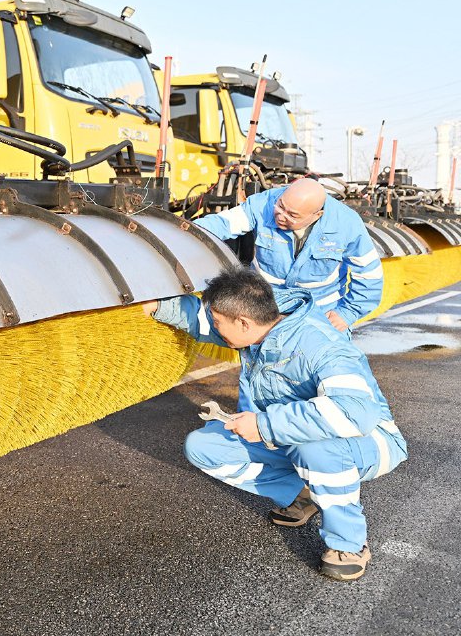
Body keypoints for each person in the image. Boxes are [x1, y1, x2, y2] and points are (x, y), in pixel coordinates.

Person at [143, 268, 407, 581]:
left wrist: (264, 425)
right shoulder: (260, 318)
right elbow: (202, 318)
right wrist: (156, 307)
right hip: (291, 435)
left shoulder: (322, 345)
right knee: (203, 447)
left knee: (315, 451)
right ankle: (301, 493)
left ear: (243, 322)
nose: (214, 328)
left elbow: (354, 412)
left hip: (369, 440)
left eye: (219, 322)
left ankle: (348, 544)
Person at [194, 178, 383, 331]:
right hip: (266, 307)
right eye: (280, 206)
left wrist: (347, 314)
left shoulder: (347, 224)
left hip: (321, 313)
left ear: (317, 215)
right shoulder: (263, 203)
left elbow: (369, 275)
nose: (281, 215)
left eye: (292, 215)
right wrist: (186, 232)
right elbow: (222, 224)